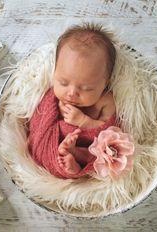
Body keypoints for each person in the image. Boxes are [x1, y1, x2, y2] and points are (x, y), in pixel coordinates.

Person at [53, 23, 117, 175]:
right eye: (63, 83)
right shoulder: (54, 93)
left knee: (101, 155)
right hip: (56, 140)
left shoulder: (106, 101)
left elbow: (111, 133)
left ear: (105, 83)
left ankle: (76, 166)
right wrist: (58, 112)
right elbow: (43, 118)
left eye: (87, 88)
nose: (72, 93)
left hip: (89, 148)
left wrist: (84, 122)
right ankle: (63, 155)